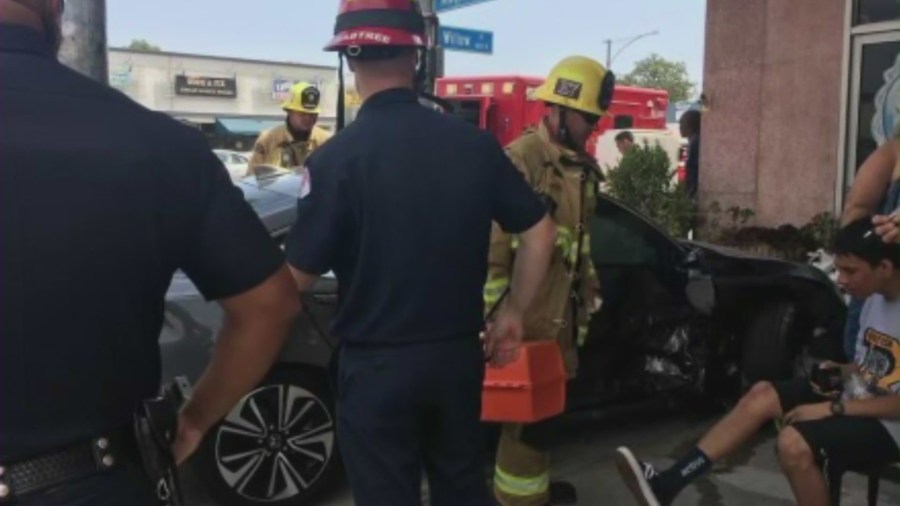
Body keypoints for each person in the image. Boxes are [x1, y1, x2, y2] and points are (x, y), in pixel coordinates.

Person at [0, 1, 300, 504]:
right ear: (55, 6)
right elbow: (270, 303)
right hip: (101, 479)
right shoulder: (159, 143)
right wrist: (195, 420)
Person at [283, 1, 557, 505]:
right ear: (418, 57)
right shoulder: (474, 147)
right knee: (460, 485)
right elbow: (541, 232)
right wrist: (513, 314)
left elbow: (292, 283)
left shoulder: (333, 161)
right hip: (455, 359)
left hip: (375, 370)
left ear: (348, 58)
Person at [614, 216, 900, 506]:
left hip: (891, 426)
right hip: (863, 396)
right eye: (839, 270)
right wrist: (842, 371)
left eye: (851, 271)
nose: (841, 280)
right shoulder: (873, 299)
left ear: (885, 268)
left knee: (793, 444)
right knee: (761, 394)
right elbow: (877, 368)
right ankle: (667, 485)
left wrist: (831, 409)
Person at [485, 55, 611, 506]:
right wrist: (500, 319)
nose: (592, 127)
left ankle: (531, 493)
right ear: (558, 110)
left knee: (543, 423)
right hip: (526, 323)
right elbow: (495, 253)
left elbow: (580, 243)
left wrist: (590, 288)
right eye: (586, 118)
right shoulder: (522, 162)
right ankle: (519, 501)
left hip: (560, 323)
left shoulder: (580, 168)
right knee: (523, 429)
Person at [840, 127, 899, 358]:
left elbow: (857, 207)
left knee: (865, 357)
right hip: (883, 274)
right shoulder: (895, 148)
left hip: (884, 274)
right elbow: (857, 208)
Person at [246, 81, 332, 175]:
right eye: (303, 113)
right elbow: (251, 178)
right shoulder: (267, 140)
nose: (308, 118)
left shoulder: (327, 141)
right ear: (289, 111)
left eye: (313, 114)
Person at [679, 109, 702, 198]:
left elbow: (693, 170)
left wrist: (688, 193)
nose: (679, 127)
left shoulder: (695, 141)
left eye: (682, 123)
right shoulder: (694, 140)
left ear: (690, 125)